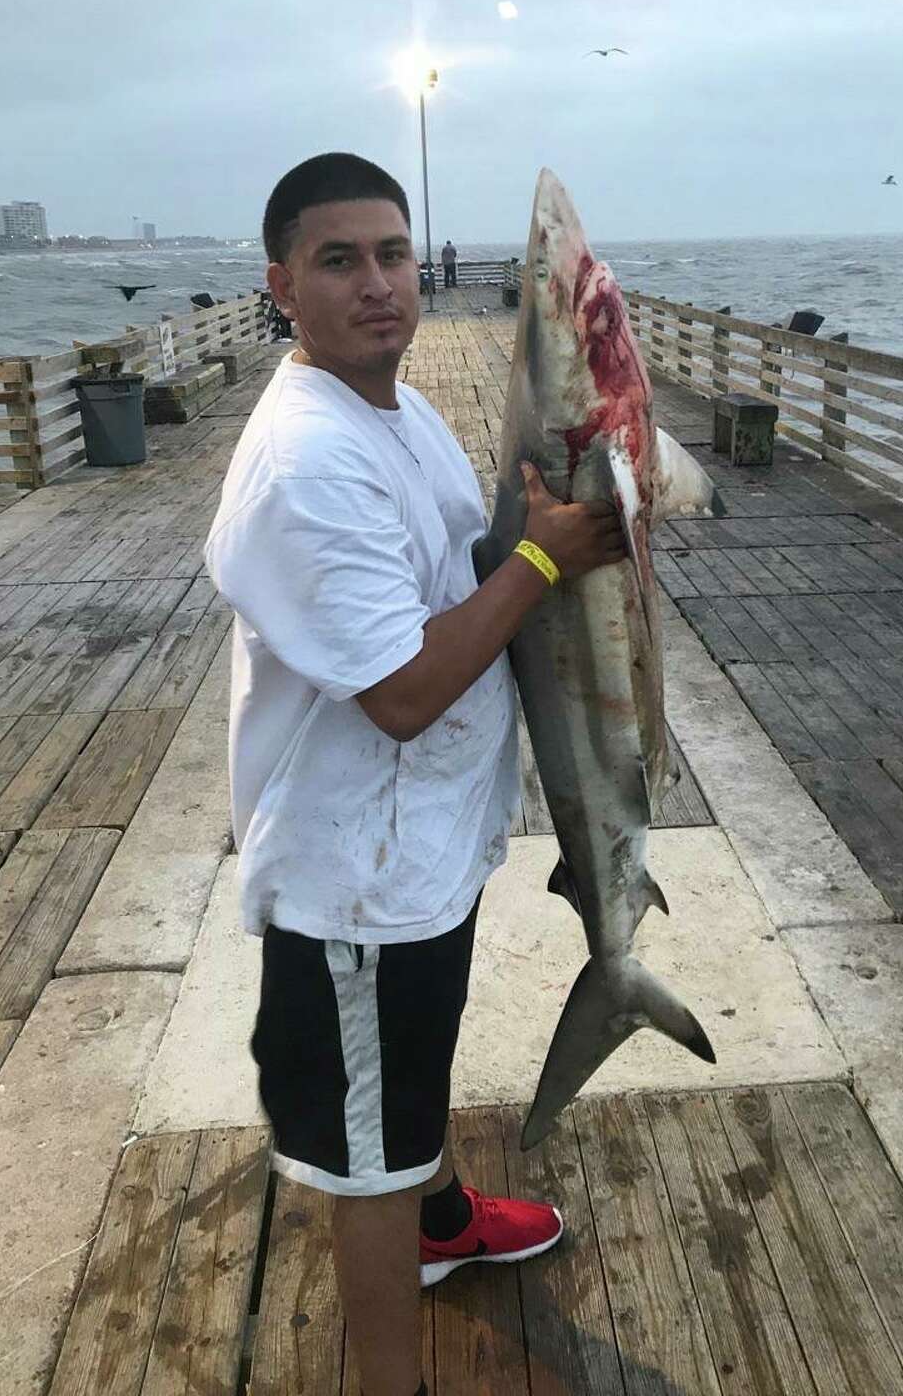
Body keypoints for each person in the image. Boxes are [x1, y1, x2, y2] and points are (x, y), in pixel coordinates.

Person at [204, 153, 625, 1396]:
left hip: (420, 850)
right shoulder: (307, 462)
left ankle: (444, 1225)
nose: (378, 283)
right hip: (355, 885)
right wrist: (543, 568)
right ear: (283, 284)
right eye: (339, 260)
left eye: (393, 253)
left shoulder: (393, 405)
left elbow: (472, 554)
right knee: (366, 1153)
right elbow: (399, 694)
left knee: (408, 1067)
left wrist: (588, 508)